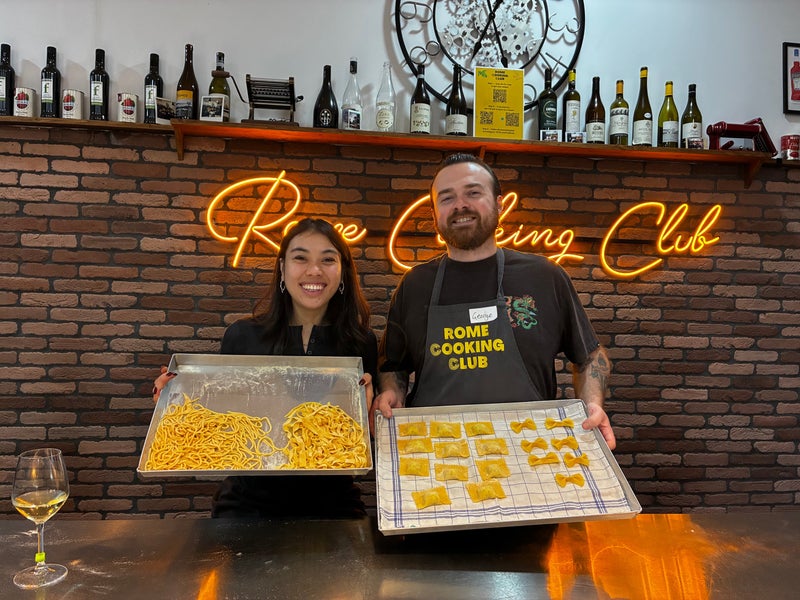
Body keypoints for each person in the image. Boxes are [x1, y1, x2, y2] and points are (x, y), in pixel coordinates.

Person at [373, 153, 616, 449]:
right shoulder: (414, 285)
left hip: (529, 449)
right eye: (447, 198)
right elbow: (393, 366)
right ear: (434, 214)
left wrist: (592, 404)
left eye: (473, 193)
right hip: (436, 453)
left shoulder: (544, 277)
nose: (460, 205)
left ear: (500, 204)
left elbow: (590, 357)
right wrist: (391, 393)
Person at [153, 217, 377, 517]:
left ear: (343, 272)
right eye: (300, 258)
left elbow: (362, 443)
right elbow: (217, 422)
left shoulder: (361, 343)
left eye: (328, 259)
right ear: (282, 268)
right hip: (247, 503)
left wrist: (371, 417)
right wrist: (174, 404)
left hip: (335, 504)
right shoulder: (242, 336)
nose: (314, 270)